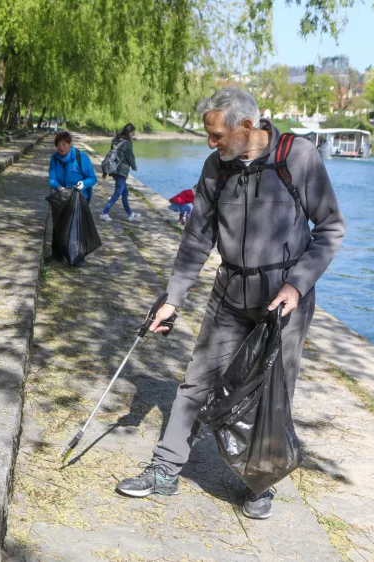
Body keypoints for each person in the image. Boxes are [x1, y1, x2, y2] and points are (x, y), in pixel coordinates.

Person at [115, 87, 346, 521]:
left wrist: (296, 286)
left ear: (246, 126)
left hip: (284, 301)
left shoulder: (297, 157)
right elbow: (197, 238)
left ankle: (258, 483)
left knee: (271, 392)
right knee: (197, 380)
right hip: (229, 293)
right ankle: (165, 468)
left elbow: (331, 228)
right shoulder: (214, 168)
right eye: (208, 135)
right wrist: (172, 299)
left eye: (217, 135)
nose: (211, 143)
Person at [98, 123, 140, 222]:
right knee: (118, 192)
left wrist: (105, 171)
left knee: (124, 192)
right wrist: (134, 166)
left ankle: (130, 214)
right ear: (130, 133)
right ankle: (104, 212)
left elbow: (110, 154)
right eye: (133, 133)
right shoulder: (127, 143)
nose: (133, 135)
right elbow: (130, 156)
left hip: (113, 169)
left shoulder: (116, 140)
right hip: (121, 171)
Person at [48, 131, 97, 202]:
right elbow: (52, 179)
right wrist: (60, 189)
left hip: (80, 199)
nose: (61, 147)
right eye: (58, 145)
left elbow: (93, 178)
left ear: (69, 144)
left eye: (64, 144)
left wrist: (83, 184)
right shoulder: (55, 158)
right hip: (62, 198)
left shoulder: (81, 157)